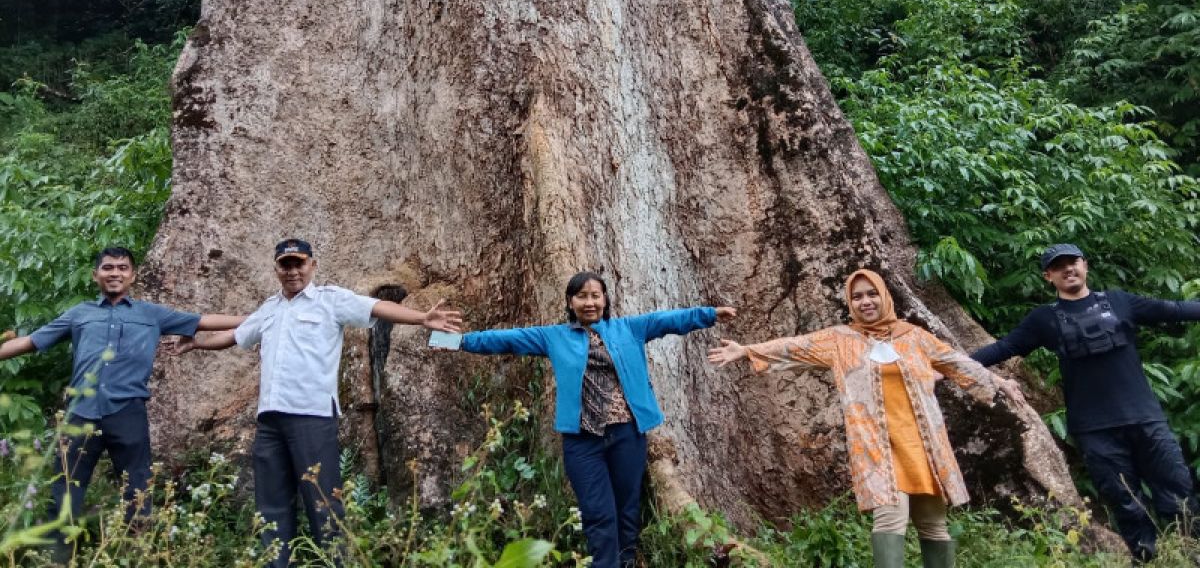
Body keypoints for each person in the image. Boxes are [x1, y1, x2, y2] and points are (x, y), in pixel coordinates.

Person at [174, 238, 463, 568]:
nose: (293, 270)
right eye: (286, 264)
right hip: (270, 420)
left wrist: (421, 318)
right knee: (271, 502)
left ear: (312, 265)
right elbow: (236, 335)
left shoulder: (330, 300)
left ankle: (333, 562)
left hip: (311, 416)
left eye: (299, 263)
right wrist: (197, 344)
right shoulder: (269, 308)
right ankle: (276, 563)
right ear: (277, 269)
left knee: (322, 500)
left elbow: (375, 307)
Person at [709, 269, 1015, 568]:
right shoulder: (840, 340)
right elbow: (794, 346)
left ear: (884, 297)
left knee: (933, 525)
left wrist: (999, 383)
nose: (865, 302)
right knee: (889, 521)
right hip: (876, 446)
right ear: (850, 303)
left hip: (924, 444)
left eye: (871, 294)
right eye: (857, 297)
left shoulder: (914, 337)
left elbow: (956, 362)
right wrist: (746, 350)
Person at [455, 271, 735, 568]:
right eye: (582, 296)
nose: (590, 303)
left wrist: (710, 314)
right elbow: (501, 340)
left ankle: (626, 560)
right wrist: (449, 339)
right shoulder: (553, 336)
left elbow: (669, 320)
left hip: (627, 434)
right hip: (582, 441)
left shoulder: (629, 328)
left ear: (605, 299)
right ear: (570, 301)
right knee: (597, 511)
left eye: (595, 296)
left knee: (627, 506)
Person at [0, 245, 247, 561]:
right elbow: (30, 341)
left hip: (127, 413)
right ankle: (57, 560)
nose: (114, 273)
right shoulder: (79, 314)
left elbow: (206, 320)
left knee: (137, 493)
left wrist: (264, 316)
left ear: (132, 275)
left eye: (121, 268)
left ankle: (136, 557)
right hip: (80, 415)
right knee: (64, 493)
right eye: (107, 268)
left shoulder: (152, 314)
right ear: (96, 275)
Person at [970, 243, 1200, 562]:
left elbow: (1173, 310)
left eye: (1073, 262)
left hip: (1146, 420)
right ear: (1048, 276)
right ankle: (1148, 559)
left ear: (1085, 265)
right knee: (1125, 502)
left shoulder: (1120, 302)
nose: (1068, 269)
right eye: (1059, 266)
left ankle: (1188, 554)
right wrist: (949, 364)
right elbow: (1005, 347)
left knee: (1178, 491)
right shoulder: (1044, 320)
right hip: (1095, 431)